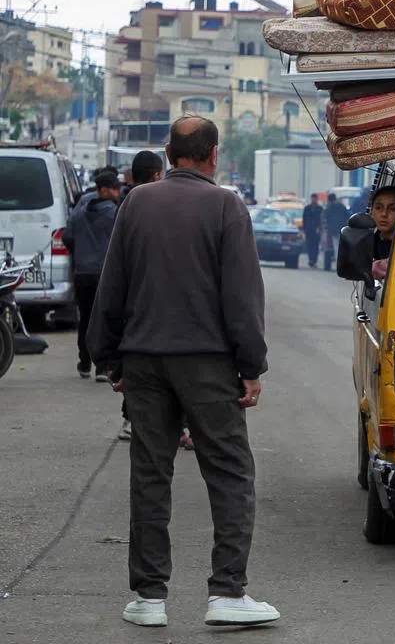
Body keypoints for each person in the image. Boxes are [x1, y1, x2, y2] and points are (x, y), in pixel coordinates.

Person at [87, 116, 280, 628]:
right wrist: (250, 365)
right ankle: (227, 594)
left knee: (150, 474)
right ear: (213, 155)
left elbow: (114, 285)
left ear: (170, 152)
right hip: (209, 363)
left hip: (145, 361)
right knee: (230, 473)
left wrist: (109, 357)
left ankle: (149, 598)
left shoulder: (135, 203)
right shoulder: (225, 206)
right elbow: (242, 295)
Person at [115, 150, 166, 442]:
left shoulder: (123, 203)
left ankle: (132, 419)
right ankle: (137, 419)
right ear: (158, 174)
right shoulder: (152, 205)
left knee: (134, 362)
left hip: (131, 298)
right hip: (150, 297)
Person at [63, 170, 121, 383]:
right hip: (104, 275)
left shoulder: (78, 214)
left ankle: (84, 362)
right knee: (105, 320)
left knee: (85, 319)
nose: (118, 192)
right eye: (114, 188)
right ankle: (102, 367)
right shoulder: (115, 214)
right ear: (104, 190)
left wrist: (82, 253)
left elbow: (68, 237)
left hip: (82, 274)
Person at [369, 187, 395, 280]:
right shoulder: (371, 241)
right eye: (378, 208)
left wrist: (370, 267)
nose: (384, 214)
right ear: (371, 211)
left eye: (393, 209)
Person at [322, 193, 350, 271]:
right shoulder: (342, 206)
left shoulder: (329, 207)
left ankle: (338, 264)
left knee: (336, 247)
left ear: (329, 200)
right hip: (343, 230)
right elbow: (347, 216)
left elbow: (325, 218)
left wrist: (327, 228)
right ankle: (341, 264)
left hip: (333, 230)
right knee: (342, 247)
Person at [302, 193, 323, 268]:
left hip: (317, 230)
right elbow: (304, 220)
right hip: (308, 230)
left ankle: (314, 260)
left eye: (315, 198)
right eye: (312, 198)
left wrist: (319, 228)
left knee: (316, 246)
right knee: (309, 246)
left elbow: (321, 220)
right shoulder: (307, 208)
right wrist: (304, 230)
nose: (313, 200)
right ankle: (311, 260)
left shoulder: (320, 208)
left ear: (316, 199)